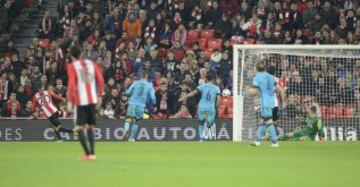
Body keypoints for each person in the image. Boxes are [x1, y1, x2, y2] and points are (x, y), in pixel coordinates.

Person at [67, 45, 104, 161]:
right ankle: (92, 154)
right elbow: (101, 80)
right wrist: (100, 96)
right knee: (90, 127)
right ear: (81, 54)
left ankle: (88, 154)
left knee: (78, 128)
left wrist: (69, 101)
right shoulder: (91, 63)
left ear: (71, 55)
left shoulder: (72, 66)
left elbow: (72, 84)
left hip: (81, 101)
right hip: (92, 99)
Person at [248, 60, 286, 147]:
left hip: (264, 102)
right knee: (263, 121)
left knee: (268, 121)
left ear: (257, 68)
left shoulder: (257, 77)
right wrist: (283, 101)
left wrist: (250, 91)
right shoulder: (270, 77)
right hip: (271, 101)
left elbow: (256, 91)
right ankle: (257, 141)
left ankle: (275, 142)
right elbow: (279, 89)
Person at [179, 71, 220, 141]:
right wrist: (216, 107)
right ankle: (209, 120)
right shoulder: (216, 88)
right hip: (211, 107)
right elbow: (219, 99)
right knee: (211, 123)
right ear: (213, 79)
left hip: (202, 106)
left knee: (201, 123)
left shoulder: (202, 86)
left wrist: (184, 97)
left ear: (206, 79)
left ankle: (201, 139)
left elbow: (193, 93)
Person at [122, 71, 156, 142]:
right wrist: (154, 103)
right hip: (141, 106)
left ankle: (126, 130)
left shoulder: (135, 82)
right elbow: (153, 97)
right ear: (146, 77)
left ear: (141, 76)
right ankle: (131, 138)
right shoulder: (149, 85)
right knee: (136, 122)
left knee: (128, 119)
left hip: (132, 103)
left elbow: (128, 92)